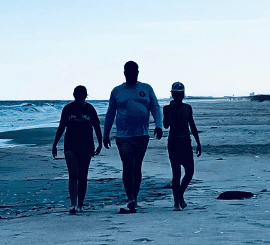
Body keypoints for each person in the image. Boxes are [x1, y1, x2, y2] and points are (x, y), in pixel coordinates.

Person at [103, 60, 162, 213]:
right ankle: (129, 198)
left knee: (137, 167)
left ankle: (135, 198)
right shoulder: (117, 91)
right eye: (128, 72)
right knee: (128, 165)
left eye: (134, 72)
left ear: (138, 72)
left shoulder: (146, 88)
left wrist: (158, 125)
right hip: (123, 136)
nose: (131, 74)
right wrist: (106, 134)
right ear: (124, 73)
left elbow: (155, 107)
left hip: (142, 134)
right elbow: (110, 113)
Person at [52, 86, 102, 214]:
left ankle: (80, 204)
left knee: (83, 175)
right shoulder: (68, 109)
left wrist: (100, 143)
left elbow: (96, 126)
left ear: (86, 96)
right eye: (77, 96)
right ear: (74, 95)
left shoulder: (90, 109)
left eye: (82, 96)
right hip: (70, 145)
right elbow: (62, 126)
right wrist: (55, 143)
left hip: (86, 145)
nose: (80, 98)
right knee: (73, 174)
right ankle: (73, 204)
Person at [162, 81, 201, 210]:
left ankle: (180, 195)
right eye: (176, 93)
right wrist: (170, 110)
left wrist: (198, 142)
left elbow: (192, 125)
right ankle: (176, 202)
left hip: (186, 142)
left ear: (183, 94)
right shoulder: (167, 108)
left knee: (190, 171)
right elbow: (166, 125)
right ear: (172, 94)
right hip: (174, 142)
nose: (178, 96)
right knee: (176, 173)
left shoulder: (187, 108)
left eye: (180, 93)